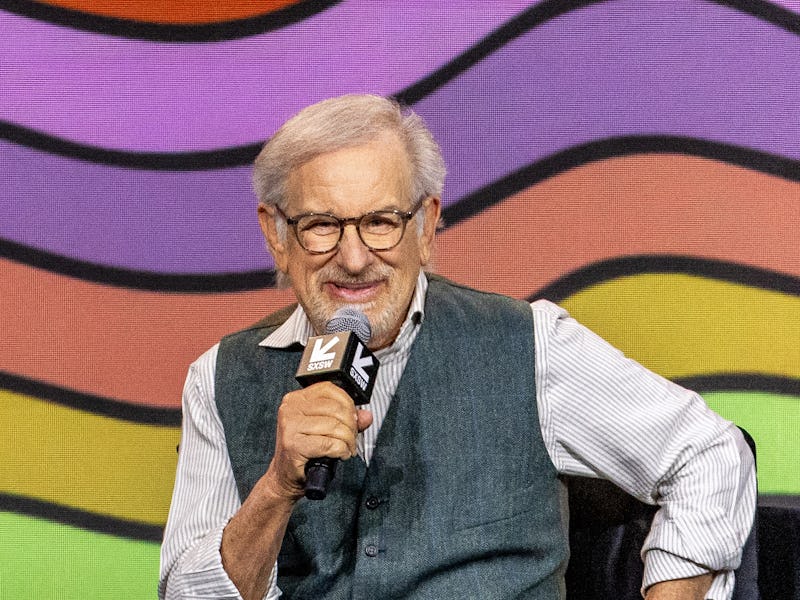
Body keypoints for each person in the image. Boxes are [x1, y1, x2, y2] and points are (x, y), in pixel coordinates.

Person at [159, 94, 756, 600]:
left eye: (382, 221)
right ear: (275, 234)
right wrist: (275, 489)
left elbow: (710, 455)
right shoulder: (218, 378)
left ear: (425, 226)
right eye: (322, 225)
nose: (354, 257)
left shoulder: (531, 344)